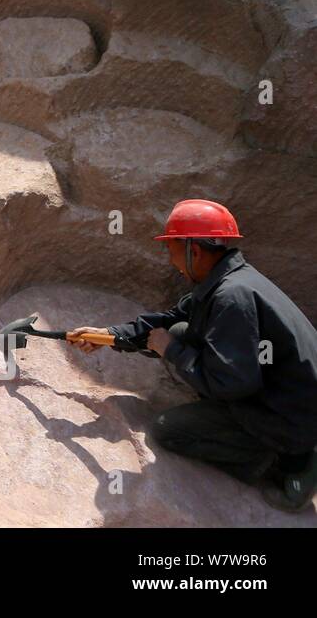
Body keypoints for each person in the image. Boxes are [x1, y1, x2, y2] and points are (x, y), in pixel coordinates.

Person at [69, 198, 317, 512]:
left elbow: (232, 383)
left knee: (166, 429)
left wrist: (170, 351)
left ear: (194, 250)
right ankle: (262, 439)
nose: (171, 259)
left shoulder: (231, 298)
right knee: (180, 331)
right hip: (284, 395)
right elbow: (167, 322)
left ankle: (280, 460)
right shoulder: (229, 280)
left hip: (290, 418)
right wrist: (108, 336)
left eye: (171, 249)